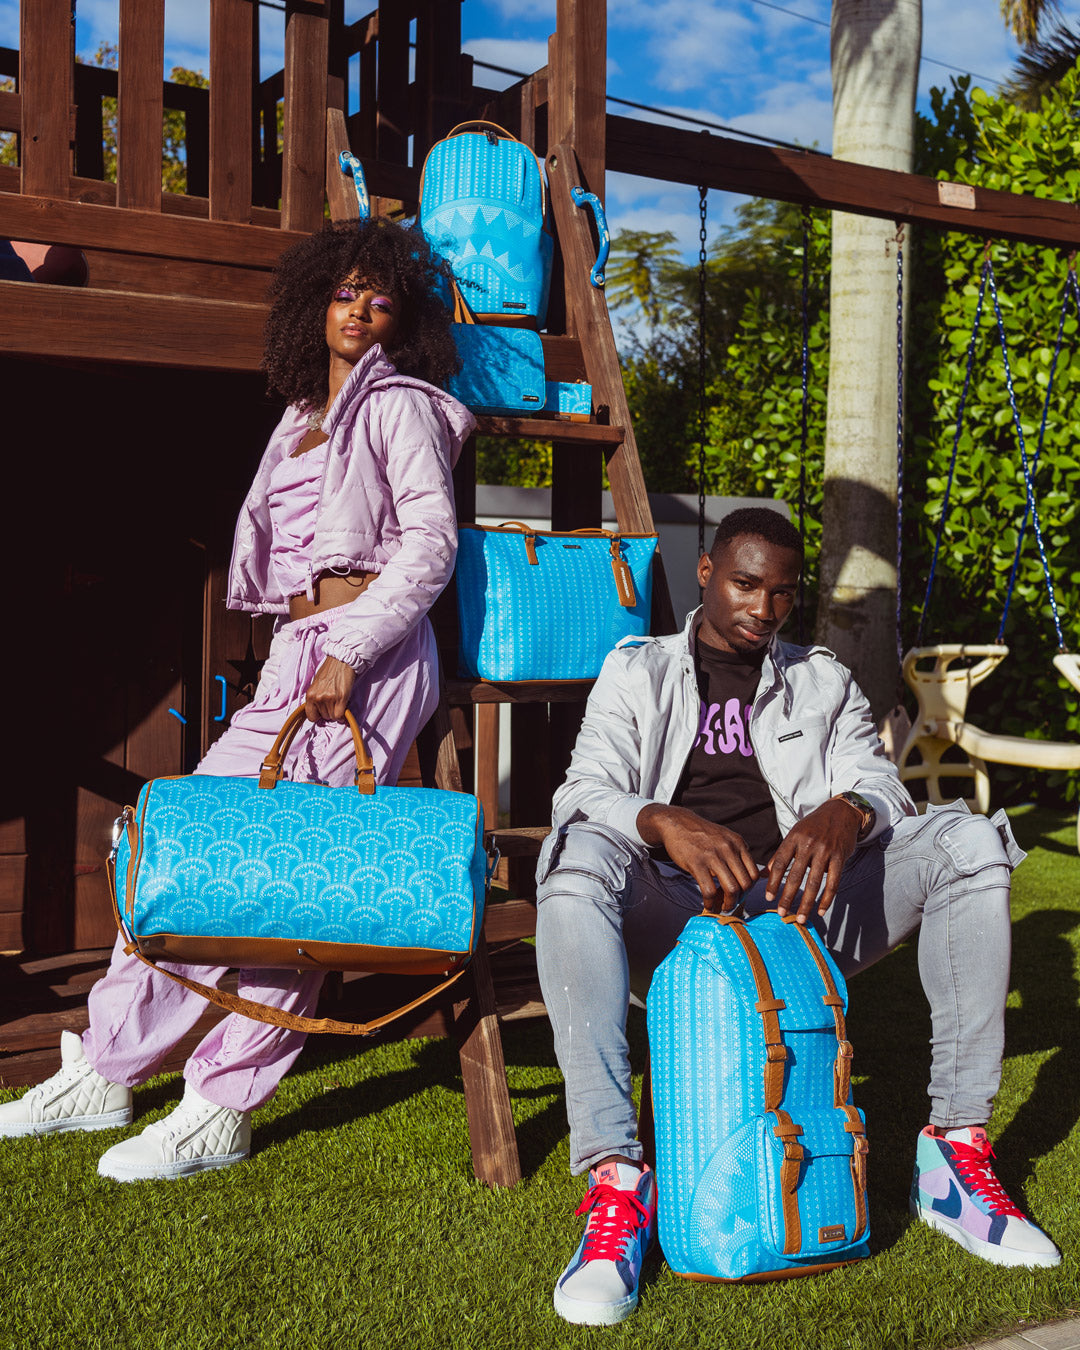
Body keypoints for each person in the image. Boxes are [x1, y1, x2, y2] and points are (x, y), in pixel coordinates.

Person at [0, 219, 473, 1181]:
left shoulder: (402, 408)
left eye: (380, 300)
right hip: (301, 652)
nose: (359, 310)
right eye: (344, 292)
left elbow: (431, 546)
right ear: (315, 302)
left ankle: (223, 1105)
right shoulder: (298, 415)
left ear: (403, 322)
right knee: (193, 843)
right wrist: (301, 651)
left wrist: (349, 649)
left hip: (369, 655)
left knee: (290, 878)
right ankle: (105, 1068)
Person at [535, 506, 1060, 1328]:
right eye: (745, 585)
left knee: (966, 843)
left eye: (782, 593)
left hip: (799, 914)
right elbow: (582, 791)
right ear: (706, 573)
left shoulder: (822, 680)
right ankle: (618, 1183)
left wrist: (849, 810)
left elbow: (880, 782)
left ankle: (953, 1157)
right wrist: (661, 820)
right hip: (672, 919)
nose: (763, 609)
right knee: (575, 859)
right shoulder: (637, 671)